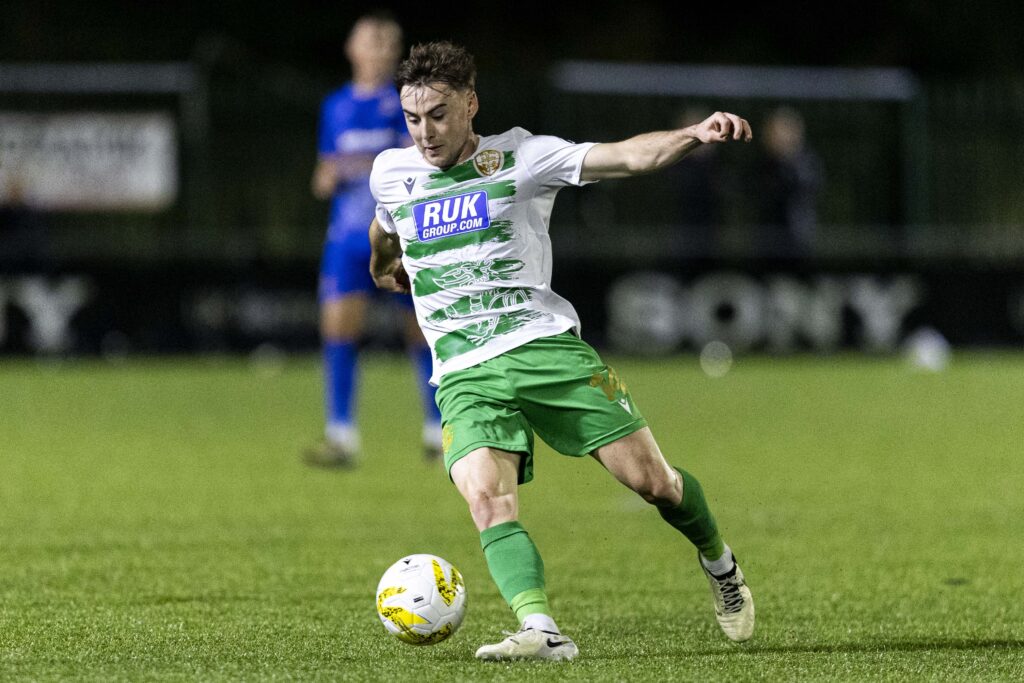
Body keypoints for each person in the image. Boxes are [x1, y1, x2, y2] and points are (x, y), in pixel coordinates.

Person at [368, 41, 755, 662]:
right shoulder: (391, 171)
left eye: (438, 114)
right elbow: (385, 226)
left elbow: (626, 157)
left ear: (470, 103)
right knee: (484, 496)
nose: (425, 133)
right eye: (413, 118)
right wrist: (384, 264)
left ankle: (721, 564)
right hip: (463, 370)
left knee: (654, 483)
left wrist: (692, 134)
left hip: (543, 348)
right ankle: (542, 629)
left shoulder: (522, 156)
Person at [304, 12, 443, 468]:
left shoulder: (403, 103)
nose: (380, 50)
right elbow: (326, 171)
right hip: (346, 236)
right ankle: (341, 435)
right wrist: (329, 175)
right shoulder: (335, 106)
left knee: (422, 333)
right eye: (371, 41)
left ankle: (439, 429)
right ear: (352, 49)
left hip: (400, 234)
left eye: (388, 43)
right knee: (339, 331)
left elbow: (418, 160)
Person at [754, 106, 824, 258]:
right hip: (767, 242)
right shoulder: (764, 165)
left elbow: (804, 193)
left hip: (797, 240)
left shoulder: (806, 163)